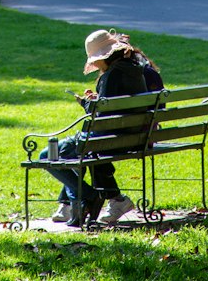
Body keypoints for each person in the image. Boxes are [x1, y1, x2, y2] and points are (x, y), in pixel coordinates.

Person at [42, 28, 162, 226]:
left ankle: (83, 198)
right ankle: (100, 200)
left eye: (95, 59)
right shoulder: (134, 69)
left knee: (46, 156)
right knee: (88, 154)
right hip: (133, 136)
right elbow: (115, 105)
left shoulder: (111, 75)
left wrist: (87, 104)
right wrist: (99, 101)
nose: (94, 64)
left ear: (104, 57)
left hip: (108, 140)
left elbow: (102, 115)